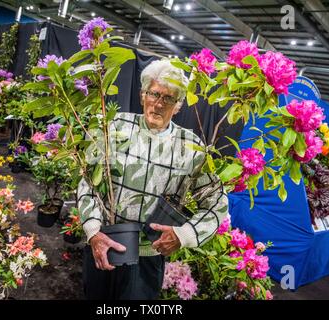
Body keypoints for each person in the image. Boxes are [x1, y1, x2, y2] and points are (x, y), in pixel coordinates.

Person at [79, 59, 229, 299]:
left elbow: (216, 202)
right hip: (103, 244)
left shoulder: (190, 147)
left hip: (147, 257)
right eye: (154, 94)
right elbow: (87, 180)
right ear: (142, 95)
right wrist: (94, 231)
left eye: (168, 98)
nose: (158, 104)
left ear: (178, 105)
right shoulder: (115, 127)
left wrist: (184, 235)